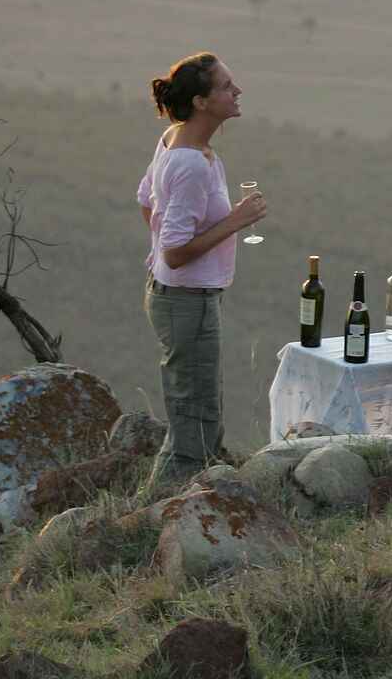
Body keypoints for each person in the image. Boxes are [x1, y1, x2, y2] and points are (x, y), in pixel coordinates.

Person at [136, 52, 267, 483]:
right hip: (185, 300)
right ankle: (172, 503)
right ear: (201, 102)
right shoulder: (190, 162)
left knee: (199, 404)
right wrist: (235, 222)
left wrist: (163, 249)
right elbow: (175, 251)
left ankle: (196, 493)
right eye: (227, 87)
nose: (238, 91)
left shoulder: (178, 142)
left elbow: (145, 201)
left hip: (180, 296)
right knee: (194, 412)